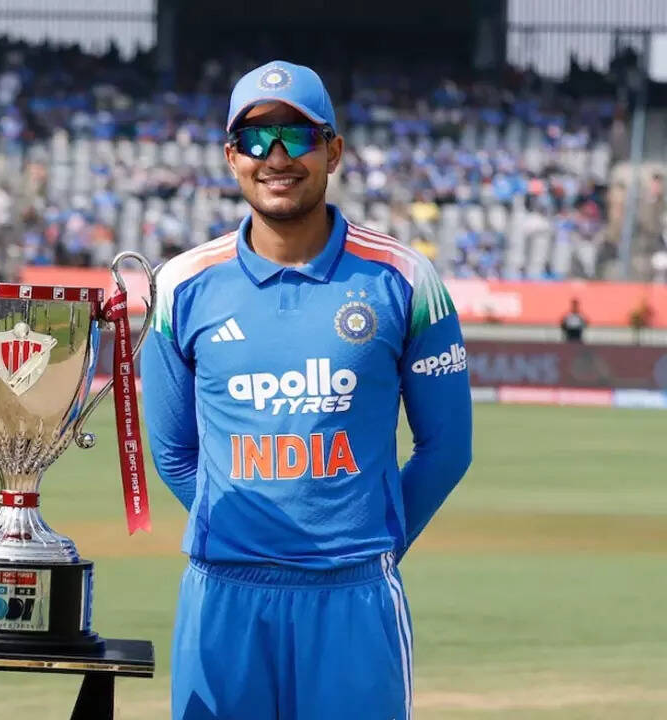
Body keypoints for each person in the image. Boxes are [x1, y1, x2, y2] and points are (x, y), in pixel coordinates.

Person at [142, 61, 474, 720]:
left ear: (334, 151)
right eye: (255, 139)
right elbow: (173, 452)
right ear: (231, 156)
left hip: (355, 598)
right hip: (224, 595)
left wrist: (368, 544)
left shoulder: (405, 278)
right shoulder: (180, 285)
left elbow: (447, 448)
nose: (276, 157)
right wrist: (243, 535)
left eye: (297, 136)